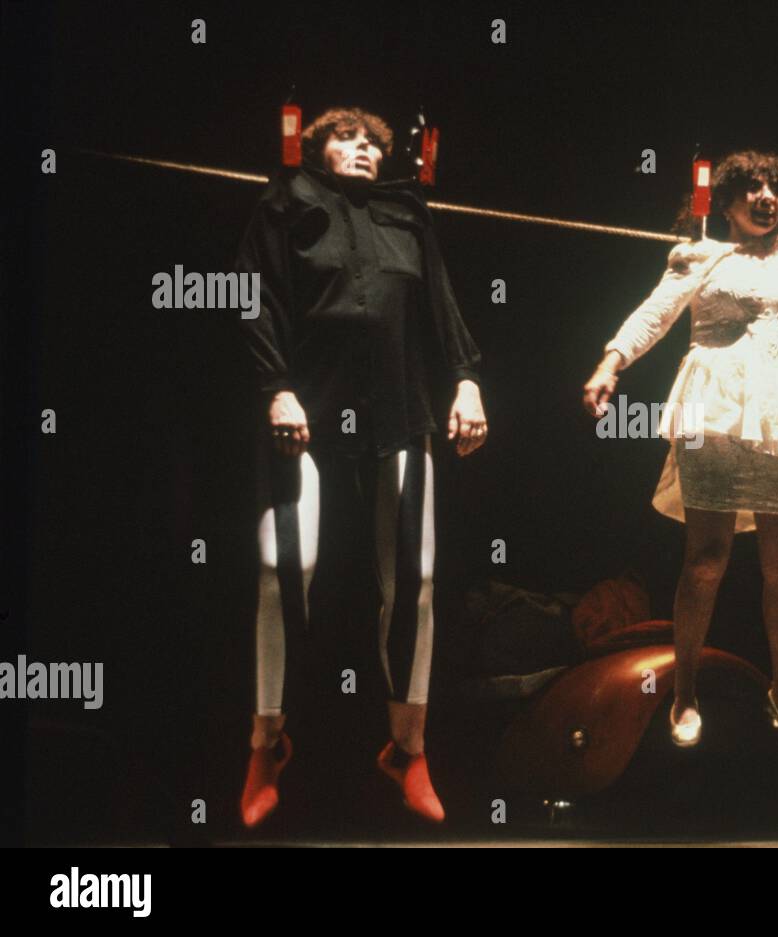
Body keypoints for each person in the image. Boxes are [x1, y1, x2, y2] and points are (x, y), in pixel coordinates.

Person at [583, 151, 778, 749]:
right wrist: (611, 363)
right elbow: (655, 313)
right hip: (716, 408)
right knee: (705, 561)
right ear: (723, 202)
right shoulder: (699, 253)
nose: (765, 197)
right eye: (750, 188)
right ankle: (684, 693)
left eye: (774, 188)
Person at [234, 106, 487, 827]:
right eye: (349, 139)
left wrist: (466, 380)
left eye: (375, 143)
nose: (366, 151)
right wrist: (276, 388)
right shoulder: (286, 204)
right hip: (306, 411)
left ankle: (408, 749)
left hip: (398, 412)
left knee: (416, 577)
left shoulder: (406, 214)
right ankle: (266, 743)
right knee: (285, 567)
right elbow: (253, 300)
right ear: (317, 148)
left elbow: (441, 308)